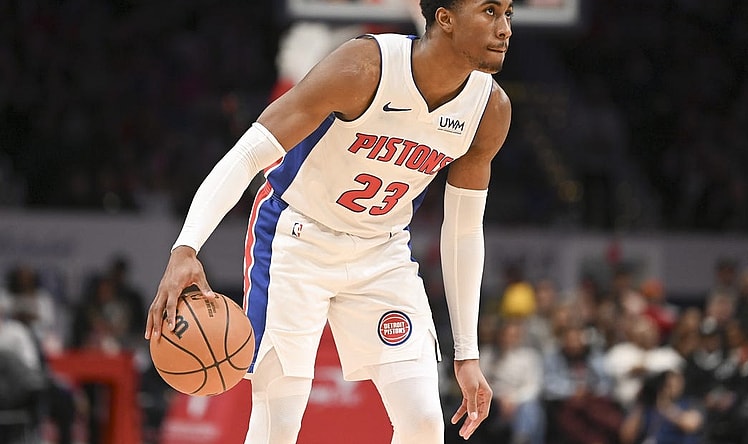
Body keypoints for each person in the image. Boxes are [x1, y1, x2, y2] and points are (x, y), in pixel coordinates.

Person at [145, 0, 513, 442]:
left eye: (508, 12)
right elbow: (247, 156)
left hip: (383, 250)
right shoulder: (364, 68)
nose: (506, 28)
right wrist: (186, 248)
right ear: (445, 18)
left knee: (424, 426)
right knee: (278, 422)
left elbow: (464, 229)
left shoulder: (489, 109)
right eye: (490, 11)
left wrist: (467, 352)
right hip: (297, 237)